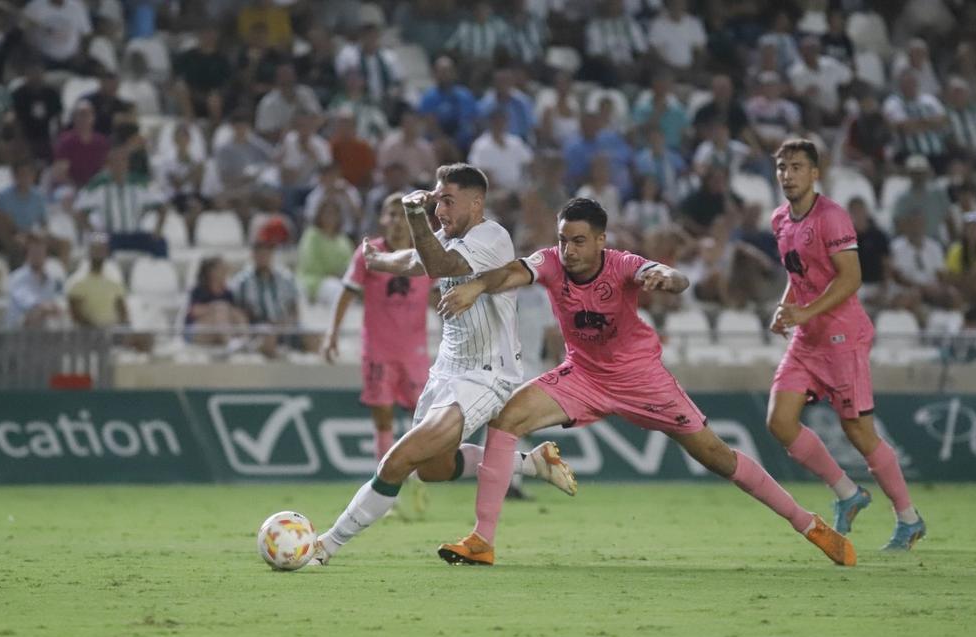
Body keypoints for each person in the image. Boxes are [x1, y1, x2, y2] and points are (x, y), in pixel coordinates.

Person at [434, 197, 854, 566]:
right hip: (583, 375)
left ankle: (808, 524)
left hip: (642, 379)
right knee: (505, 420)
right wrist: (475, 287)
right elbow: (508, 273)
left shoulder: (622, 264)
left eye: (579, 241)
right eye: (563, 239)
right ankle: (483, 541)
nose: (569, 250)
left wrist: (666, 279)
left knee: (717, 457)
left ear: (601, 240)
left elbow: (673, 277)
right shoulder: (549, 262)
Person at [311, 164, 574, 566]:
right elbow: (417, 259)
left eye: (447, 202)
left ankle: (324, 546)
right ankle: (533, 463)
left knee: (397, 461)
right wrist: (379, 261)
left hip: (487, 376)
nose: (440, 211)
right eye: (436, 202)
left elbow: (437, 265)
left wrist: (414, 215)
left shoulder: (491, 236)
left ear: (476, 202)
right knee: (430, 469)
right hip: (447, 371)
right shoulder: (449, 236)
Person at [766, 139, 925, 551]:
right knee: (780, 421)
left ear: (815, 173)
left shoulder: (832, 217)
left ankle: (908, 519)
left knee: (858, 430)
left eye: (797, 167)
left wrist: (805, 312)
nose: (788, 174)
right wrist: (785, 309)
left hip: (841, 335)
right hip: (808, 336)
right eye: (782, 167)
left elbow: (851, 278)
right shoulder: (780, 219)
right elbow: (797, 272)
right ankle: (848, 494)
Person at [321, 193, 434, 481]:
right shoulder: (369, 254)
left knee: (420, 419)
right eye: (391, 214)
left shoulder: (428, 253)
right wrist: (331, 333)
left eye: (402, 215)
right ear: (382, 220)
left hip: (415, 353)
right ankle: (386, 483)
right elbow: (347, 293)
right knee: (382, 418)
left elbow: (439, 298)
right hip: (378, 351)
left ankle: (415, 475)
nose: (397, 221)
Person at [7, 234, 66, 328]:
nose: (38, 255)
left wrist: (57, 307)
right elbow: (31, 304)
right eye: (34, 251)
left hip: (43, 332)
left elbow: (60, 299)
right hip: (17, 333)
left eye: (40, 251)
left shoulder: (53, 277)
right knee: (36, 313)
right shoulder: (17, 278)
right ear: (27, 253)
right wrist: (49, 308)